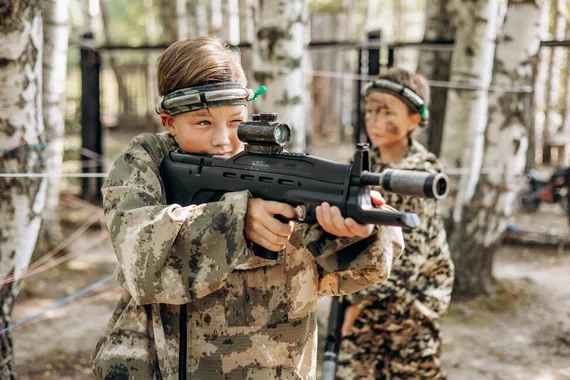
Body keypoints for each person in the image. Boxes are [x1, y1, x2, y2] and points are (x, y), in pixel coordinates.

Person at [91, 36, 404, 380]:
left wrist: (360, 236)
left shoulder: (276, 173)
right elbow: (138, 249)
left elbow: (349, 274)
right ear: (169, 122)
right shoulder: (147, 162)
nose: (223, 139)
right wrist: (237, 221)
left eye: (236, 121)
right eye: (203, 123)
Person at [336, 68, 455, 379]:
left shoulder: (419, 177)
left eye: (387, 111)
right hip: (370, 295)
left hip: (410, 308)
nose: (374, 120)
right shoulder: (366, 163)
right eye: (371, 110)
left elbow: (408, 259)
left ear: (414, 120)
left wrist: (356, 304)